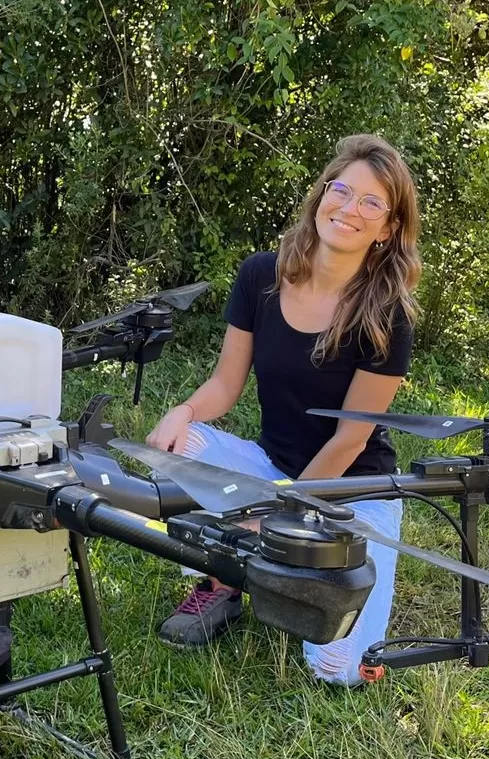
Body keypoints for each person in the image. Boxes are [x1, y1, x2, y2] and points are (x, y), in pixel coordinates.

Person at [147, 133, 421, 687]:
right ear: (322, 194)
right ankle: (223, 581)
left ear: (388, 228)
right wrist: (184, 410)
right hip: (275, 470)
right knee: (181, 447)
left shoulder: (386, 316)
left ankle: (281, 562)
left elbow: (349, 440)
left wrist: (281, 515)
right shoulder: (261, 276)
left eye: (372, 202)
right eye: (342, 190)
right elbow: (225, 384)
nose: (349, 208)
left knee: (339, 670)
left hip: (352, 494)